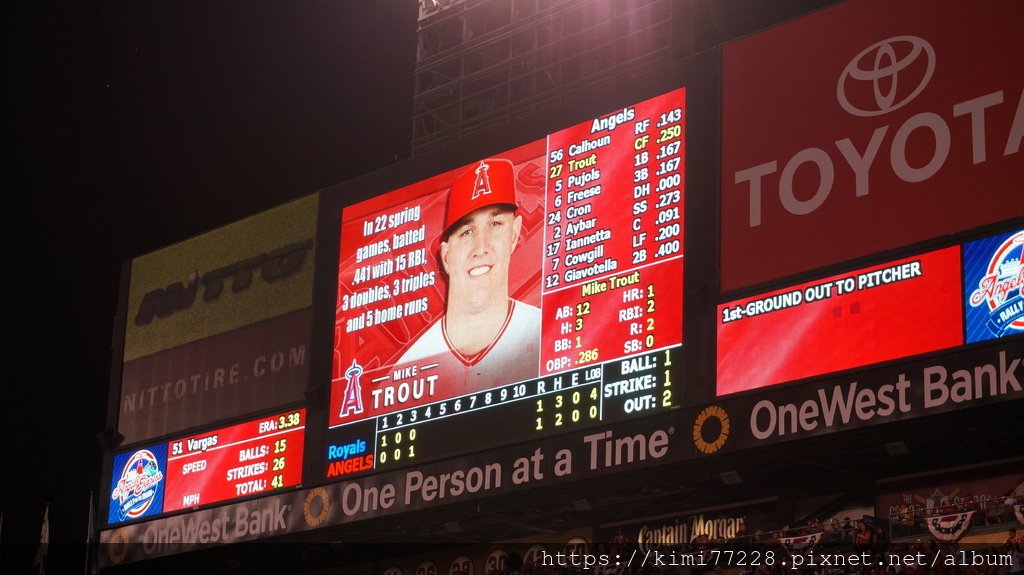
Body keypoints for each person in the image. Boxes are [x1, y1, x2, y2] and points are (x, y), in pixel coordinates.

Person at [398, 158, 541, 391]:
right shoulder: (407, 371)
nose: (481, 247)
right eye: (466, 232)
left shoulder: (546, 334)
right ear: (446, 256)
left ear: (514, 234)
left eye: (495, 224)